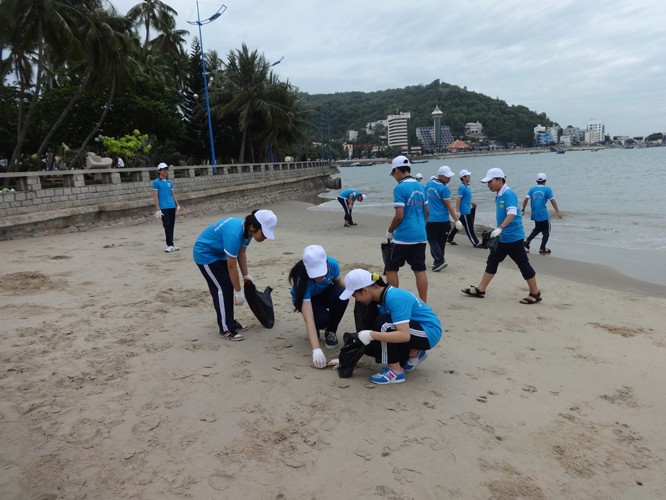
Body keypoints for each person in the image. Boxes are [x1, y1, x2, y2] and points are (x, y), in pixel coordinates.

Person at [339, 269, 442, 385]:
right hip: (415, 329)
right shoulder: (377, 298)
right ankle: (416, 353)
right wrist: (345, 359)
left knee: (383, 324)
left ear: (365, 290)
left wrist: (371, 334)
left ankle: (395, 372)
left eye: (355, 295)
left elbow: (404, 335)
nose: (356, 299)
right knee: (374, 343)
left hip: (429, 332)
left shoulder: (394, 297)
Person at [193, 209, 277, 341]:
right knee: (222, 289)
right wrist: (238, 291)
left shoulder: (247, 232)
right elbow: (231, 266)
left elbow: (241, 252)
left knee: (227, 287)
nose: (265, 237)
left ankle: (230, 322)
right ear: (253, 226)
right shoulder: (235, 234)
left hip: (219, 253)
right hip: (205, 254)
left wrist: (245, 275)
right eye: (264, 233)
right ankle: (225, 328)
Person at [461, 168, 542, 304]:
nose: (488, 185)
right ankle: (481, 289)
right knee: (492, 261)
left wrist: (500, 228)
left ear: (499, 179)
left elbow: (512, 213)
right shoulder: (499, 194)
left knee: (523, 265)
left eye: (490, 182)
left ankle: (535, 293)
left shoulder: (508, 194)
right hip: (503, 238)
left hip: (513, 237)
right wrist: (498, 231)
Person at [288, 245, 349, 368]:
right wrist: (316, 349)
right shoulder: (301, 278)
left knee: (342, 295)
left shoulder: (332, 264)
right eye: (314, 273)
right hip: (306, 300)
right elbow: (308, 317)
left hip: (323, 292)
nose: (318, 277)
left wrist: (355, 292)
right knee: (321, 320)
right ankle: (315, 331)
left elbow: (338, 283)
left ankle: (331, 331)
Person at [385, 155, 429, 302]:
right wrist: (421, 225)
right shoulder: (421, 186)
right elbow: (427, 211)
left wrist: (390, 231)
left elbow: (399, 216)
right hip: (421, 235)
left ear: (397, 170)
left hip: (404, 237)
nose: (394, 177)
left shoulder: (400, 188)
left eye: (393, 173)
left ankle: (394, 300)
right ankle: (424, 303)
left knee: (391, 267)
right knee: (419, 269)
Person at [425, 166, 463, 271]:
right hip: (441, 220)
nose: (449, 178)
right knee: (437, 242)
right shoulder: (444, 188)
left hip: (433, 220)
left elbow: (425, 199)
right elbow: (449, 206)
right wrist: (456, 220)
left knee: (435, 242)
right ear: (440, 176)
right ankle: (440, 260)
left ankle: (438, 262)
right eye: (447, 176)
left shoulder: (429, 184)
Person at [522, 172, 563, 255]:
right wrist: (558, 212)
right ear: (545, 181)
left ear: (536, 181)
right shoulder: (547, 189)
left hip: (535, 214)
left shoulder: (532, 189)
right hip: (543, 215)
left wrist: (523, 210)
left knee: (538, 228)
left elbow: (526, 199)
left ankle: (527, 241)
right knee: (546, 232)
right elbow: (552, 201)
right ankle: (542, 248)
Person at [152, 162, 183, 252]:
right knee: (167, 225)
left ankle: (171, 244)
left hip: (171, 206)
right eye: (163, 169)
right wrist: (158, 208)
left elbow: (173, 194)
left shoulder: (169, 182)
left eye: (166, 169)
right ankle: (169, 244)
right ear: (159, 171)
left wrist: (178, 205)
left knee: (172, 225)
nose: (165, 171)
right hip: (163, 208)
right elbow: (155, 196)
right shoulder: (156, 182)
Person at [447, 169, 480, 247]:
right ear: (464, 177)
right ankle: (475, 242)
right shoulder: (462, 187)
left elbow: (465, 199)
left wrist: (472, 204)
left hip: (467, 209)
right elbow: (458, 199)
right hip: (465, 211)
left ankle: (450, 238)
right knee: (469, 227)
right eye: (468, 176)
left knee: (460, 225)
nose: (470, 177)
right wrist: (457, 211)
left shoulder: (467, 186)